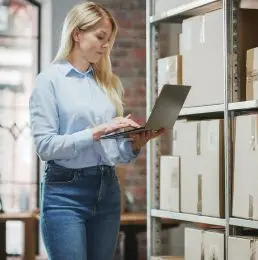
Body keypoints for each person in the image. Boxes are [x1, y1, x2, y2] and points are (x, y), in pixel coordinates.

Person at [28, 2, 164, 259]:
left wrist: (134, 144)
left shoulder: (107, 84)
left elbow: (114, 152)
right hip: (65, 194)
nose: (106, 46)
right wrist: (97, 131)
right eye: (100, 37)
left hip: (107, 188)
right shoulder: (49, 81)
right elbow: (45, 147)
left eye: (109, 39)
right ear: (77, 34)